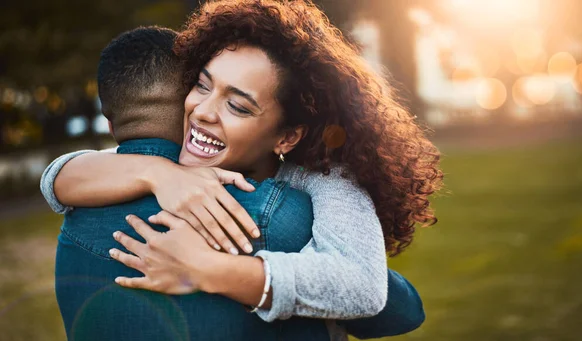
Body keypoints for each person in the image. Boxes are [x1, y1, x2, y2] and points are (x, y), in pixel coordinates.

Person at [42, 0, 443, 339]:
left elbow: (371, 291)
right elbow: (57, 178)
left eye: (238, 105)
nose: (203, 111)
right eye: (201, 85)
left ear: (286, 137)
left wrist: (208, 268)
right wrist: (158, 173)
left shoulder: (319, 184)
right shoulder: (162, 169)